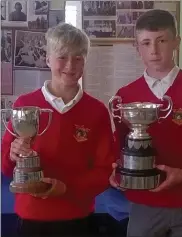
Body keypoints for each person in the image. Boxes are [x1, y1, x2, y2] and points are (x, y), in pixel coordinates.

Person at [109, 9, 182, 237]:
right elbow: (119, 145)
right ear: (137, 47)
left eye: (162, 40)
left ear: (176, 42)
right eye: (146, 42)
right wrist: (115, 170)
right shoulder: (125, 96)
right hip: (144, 207)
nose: (154, 50)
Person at [1, 23, 115, 237]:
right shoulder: (25, 105)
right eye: (62, 57)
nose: (70, 65)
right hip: (32, 218)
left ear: (85, 62)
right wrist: (12, 154)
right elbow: (6, 168)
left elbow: (105, 170)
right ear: (47, 59)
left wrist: (67, 188)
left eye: (78, 58)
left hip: (77, 218)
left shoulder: (97, 110)